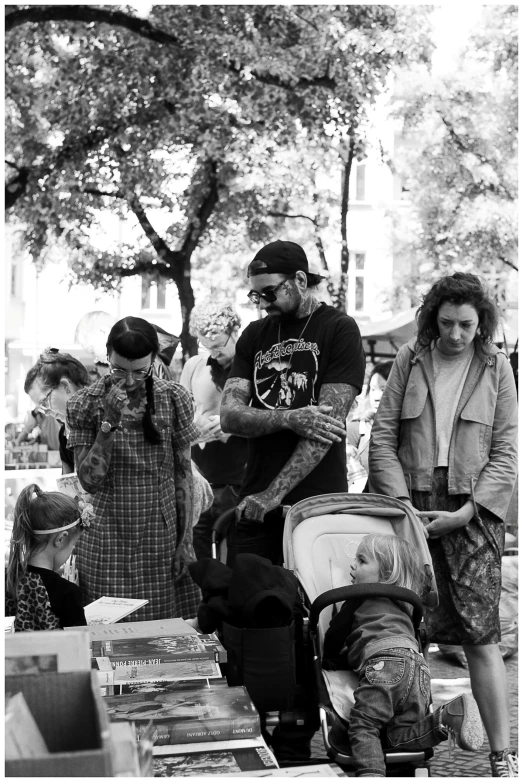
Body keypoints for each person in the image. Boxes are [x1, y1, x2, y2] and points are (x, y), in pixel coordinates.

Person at [368, 273, 518, 777]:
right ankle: (412, 745)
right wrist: (401, 505)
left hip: (471, 512)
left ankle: (503, 755)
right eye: (447, 322)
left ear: (482, 324)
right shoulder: (410, 359)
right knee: (410, 632)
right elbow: (383, 437)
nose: (455, 334)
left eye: (467, 325)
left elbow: (505, 452)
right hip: (409, 506)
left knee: (480, 636)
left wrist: (468, 512)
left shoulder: (497, 367)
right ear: (434, 318)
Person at [221, 240, 366, 567]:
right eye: (255, 295)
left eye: (269, 292)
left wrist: (275, 494)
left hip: (316, 507)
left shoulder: (338, 329)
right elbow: (229, 416)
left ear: (300, 280)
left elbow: (324, 428)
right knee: (252, 606)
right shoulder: (253, 334)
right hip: (255, 503)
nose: (261, 303)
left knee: (317, 610)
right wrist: (288, 419)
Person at [66, 316, 201, 621]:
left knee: (162, 633)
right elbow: (88, 482)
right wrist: (109, 422)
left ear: (154, 361)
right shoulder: (84, 403)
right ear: (107, 355)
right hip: (105, 535)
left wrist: (186, 541)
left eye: (140, 372)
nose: (128, 381)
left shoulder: (174, 398)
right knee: (106, 632)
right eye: (118, 370)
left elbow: (184, 475)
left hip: (160, 534)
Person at [323, 533, 484, 777]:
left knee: (364, 724)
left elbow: (335, 635)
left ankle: (371, 773)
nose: (352, 565)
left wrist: (329, 657)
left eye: (362, 560)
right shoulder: (405, 606)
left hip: (385, 664)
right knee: (399, 736)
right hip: (418, 668)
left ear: (386, 574)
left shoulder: (359, 597)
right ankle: (446, 718)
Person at [180, 302, 248, 559]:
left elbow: (270, 419)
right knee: (197, 560)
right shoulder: (194, 366)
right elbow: (179, 419)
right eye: (206, 346)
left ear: (235, 331)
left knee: (235, 558)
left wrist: (234, 425)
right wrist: (193, 427)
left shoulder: (252, 367)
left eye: (219, 345)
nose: (214, 353)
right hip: (199, 481)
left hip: (238, 483)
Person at [5, 484, 89, 631]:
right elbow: (78, 649)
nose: (72, 550)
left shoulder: (7, 580)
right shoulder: (67, 593)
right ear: (61, 539)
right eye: (73, 545)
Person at [24, 349, 90, 473]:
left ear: (65, 386)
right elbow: (68, 484)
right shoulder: (65, 434)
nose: (47, 413)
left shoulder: (106, 422)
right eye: (41, 408)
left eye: (44, 402)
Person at [346, 360, 394, 489]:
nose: (376, 396)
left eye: (383, 389)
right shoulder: (356, 429)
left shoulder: (408, 430)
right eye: (373, 389)